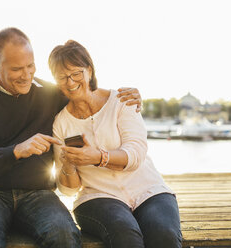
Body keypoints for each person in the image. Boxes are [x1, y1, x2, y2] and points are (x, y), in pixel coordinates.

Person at [0, 27, 142, 248]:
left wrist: (125, 97)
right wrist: (16, 151)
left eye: (30, 66)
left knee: (64, 234)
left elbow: (84, 91)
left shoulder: (50, 93)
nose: (26, 75)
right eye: (17, 69)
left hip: (37, 193)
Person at [49, 40, 182, 248]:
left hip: (148, 190)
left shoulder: (122, 101)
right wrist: (68, 165)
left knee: (163, 235)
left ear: (89, 71)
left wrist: (99, 157)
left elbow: (136, 154)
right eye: (62, 77)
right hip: (97, 196)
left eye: (76, 73)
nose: (70, 81)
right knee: (125, 234)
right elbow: (68, 190)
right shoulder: (61, 123)